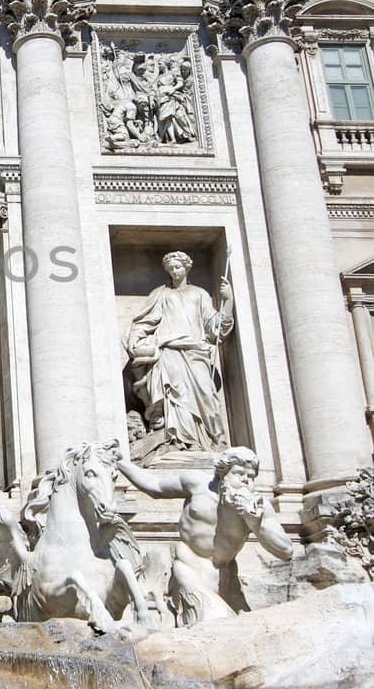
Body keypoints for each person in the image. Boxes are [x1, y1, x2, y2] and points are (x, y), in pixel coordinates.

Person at [115, 444, 292, 624]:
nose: (246, 481)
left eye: (251, 476)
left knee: (247, 630)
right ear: (222, 472)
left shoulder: (257, 507)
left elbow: (286, 550)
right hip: (190, 571)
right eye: (239, 473)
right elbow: (155, 486)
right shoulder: (198, 485)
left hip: (227, 579)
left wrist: (256, 523)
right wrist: (119, 461)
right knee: (217, 622)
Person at [125, 251, 233, 452]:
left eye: (178, 267)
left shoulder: (199, 294)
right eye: (171, 268)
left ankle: (215, 441)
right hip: (169, 351)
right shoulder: (161, 294)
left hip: (195, 352)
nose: (175, 271)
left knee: (206, 395)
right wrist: (135, 340)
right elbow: (146, 321)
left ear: (187, 267)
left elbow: (214, 328)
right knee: (175, 397)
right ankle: (178, 442)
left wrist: (228, 302)